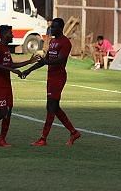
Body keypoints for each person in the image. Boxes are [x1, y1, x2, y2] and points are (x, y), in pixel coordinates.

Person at [20, 17, 81, 146]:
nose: (51, 28)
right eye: (51, 26)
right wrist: (29, 70)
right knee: (54, 107)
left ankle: (43, 138)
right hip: (51, 77)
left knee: (51, 108)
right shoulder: (53, 41)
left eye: (54, 27)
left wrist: (45, 61)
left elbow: (60, 60)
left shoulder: (65, 43)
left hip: (58, 78)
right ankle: (73, 132)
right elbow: (46, 60)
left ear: (60, 28)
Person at [0, 25, 38, 147]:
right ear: (5, 34)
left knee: (8, 111)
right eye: (11, 33)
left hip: (6, 84)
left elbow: (11, 64)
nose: (13, 35)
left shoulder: (6, 49)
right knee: (2, 111)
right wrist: (12, 70)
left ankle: (2, 140)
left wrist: (28, 62)